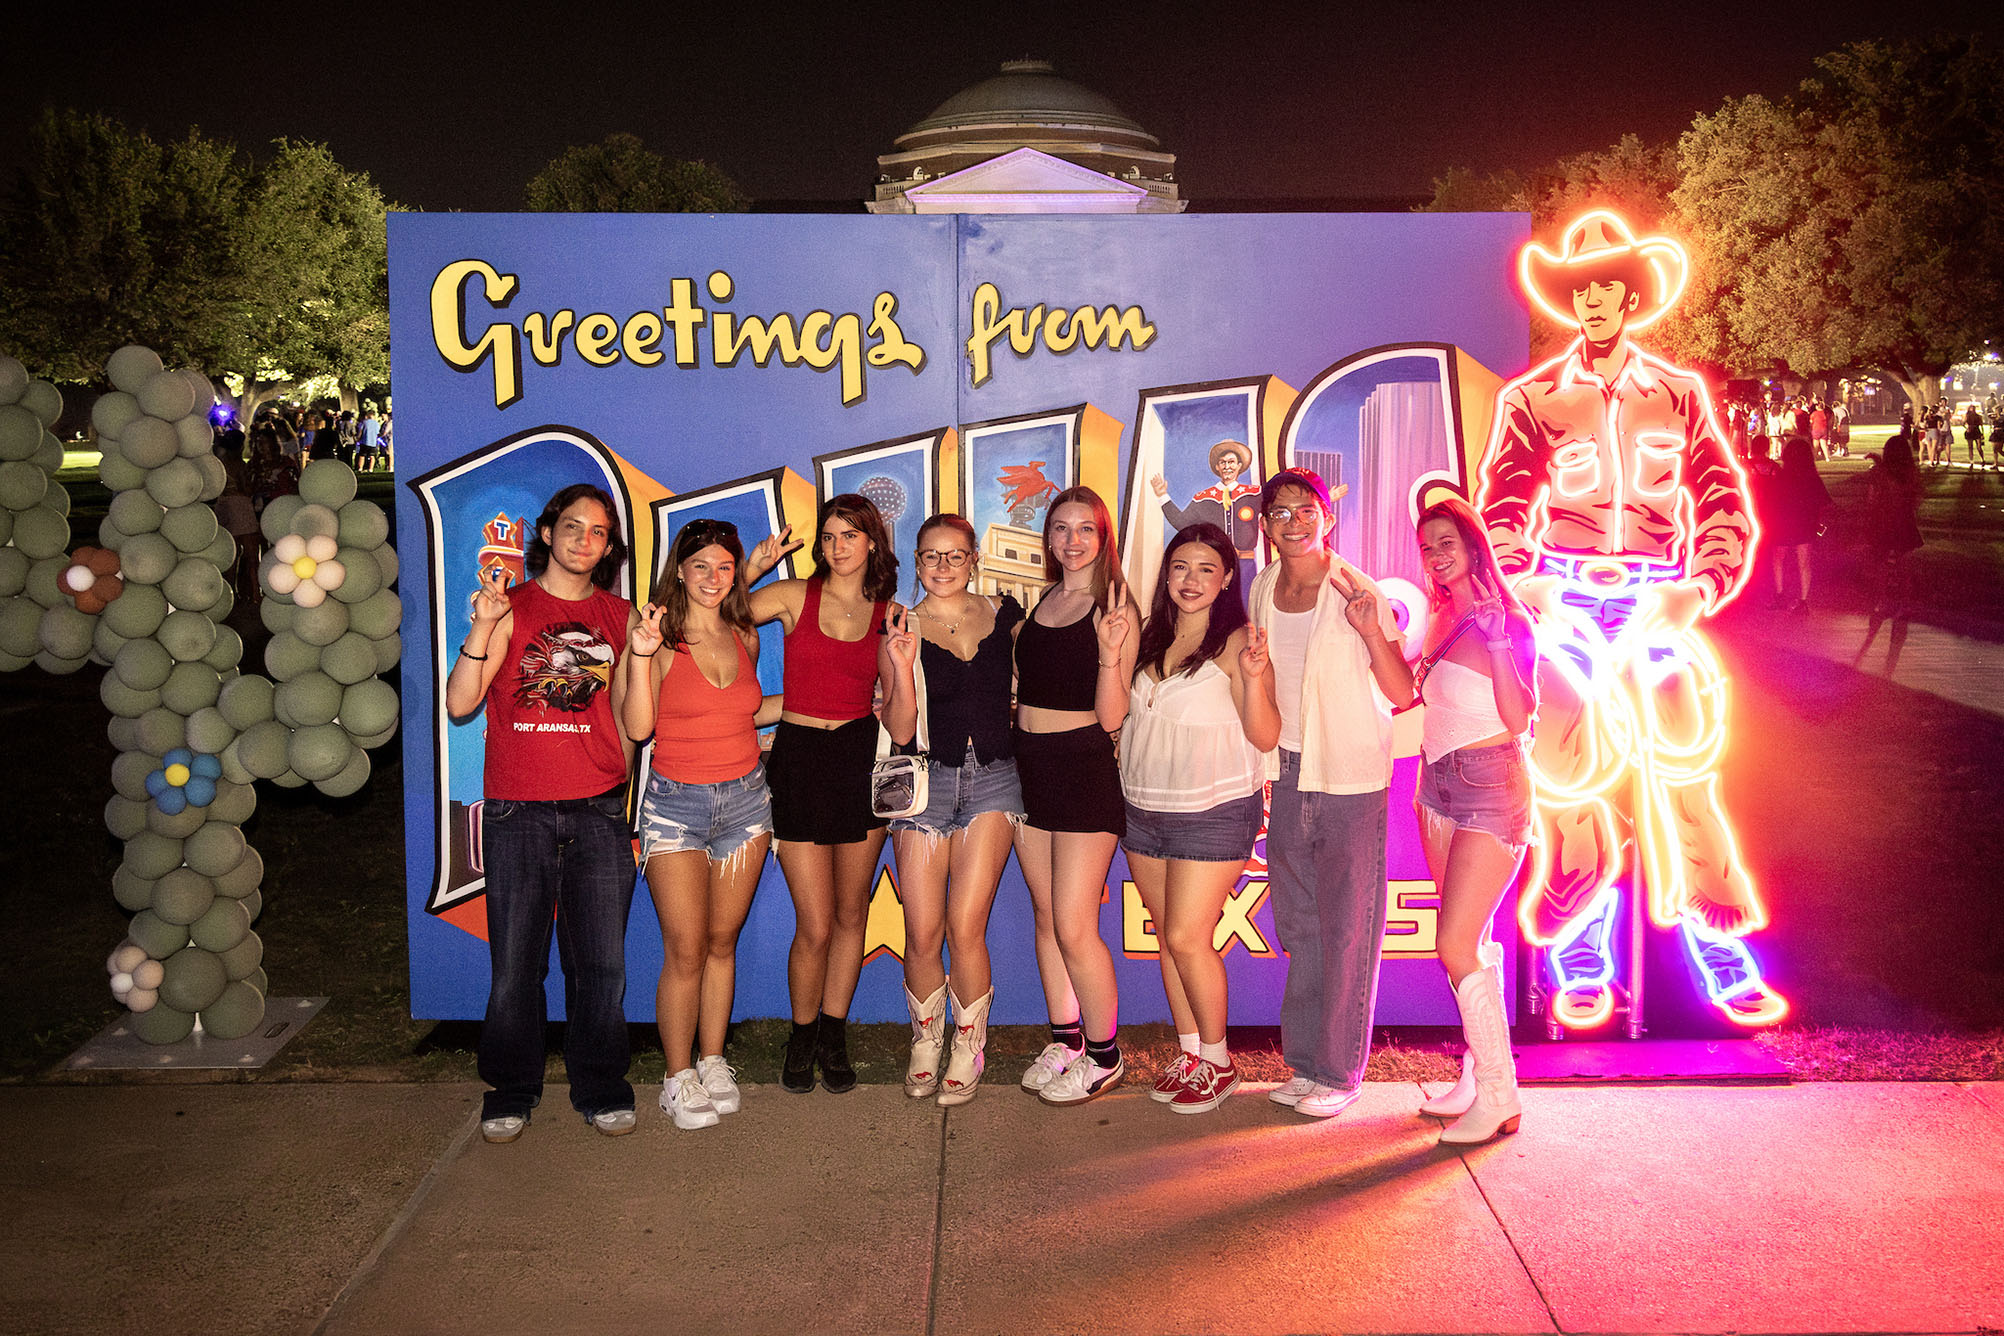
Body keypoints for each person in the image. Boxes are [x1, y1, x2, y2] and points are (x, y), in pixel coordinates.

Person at [1479, 210, 1782, 1028]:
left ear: (1632, 296)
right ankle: (1583, 955)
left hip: (1656, 595)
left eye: (1609, 287)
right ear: (1568, 299)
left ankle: (1718, 947)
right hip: (1567, 596)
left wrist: (1698, 586)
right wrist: (1529, 586)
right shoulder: (1535, 397)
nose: (1595, 302)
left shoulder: (1679, 395)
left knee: (1684, 761)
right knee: (1568, 774)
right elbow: (1500, 511)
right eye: (1581, 289)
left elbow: (1722, 502)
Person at [443, 483, 642, 1144]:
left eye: (599, 533)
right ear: (549, 532)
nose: (586, 541)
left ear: (608, 547)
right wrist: (480, 625)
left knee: (603, 967)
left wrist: (639, 662)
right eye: (574, 527)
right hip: (518, 812)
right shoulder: (511, 607)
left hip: (598, 813)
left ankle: (601, 1082)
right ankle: (512, 1086)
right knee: (516, 965)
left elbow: (630, 722)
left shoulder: (620, 616)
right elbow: (461, 702)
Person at [1250, 468, 1413, 1118]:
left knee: (1347, 927)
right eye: (1280, 511)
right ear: (1264, 525)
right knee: (1302, 926)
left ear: (1327, 517)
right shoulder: (1262, 586)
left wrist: (1372, 628)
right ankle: (1306, 1063)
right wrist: (1267, 770)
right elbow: (1266, 686)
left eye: (1305, 509)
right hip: (1289, 774)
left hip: (1349, 779)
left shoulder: (1354, 586)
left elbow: (1402, 694)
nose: (1293, 521)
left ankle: (1341, 1071)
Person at [620, 519, 781, 1130]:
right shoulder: (657, 638)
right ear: (679, 571)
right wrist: (639, 657)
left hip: (746, 806)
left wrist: (814, 705)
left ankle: (714, 1061)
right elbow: (639, 728)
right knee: (685, 950)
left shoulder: (744, 634)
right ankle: (677, 1075)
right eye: (701, 566)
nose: (713, 578)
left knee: (721, 944)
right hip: (674, 810)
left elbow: (748, 708)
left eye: (724, 567)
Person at [1120, 522, 1278, 1114]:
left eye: (1206, 569)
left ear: (1227, 578)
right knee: (1171, 939)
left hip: (1212, 809)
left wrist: (1257, 679)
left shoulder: (1238, 642)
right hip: (1141, 805)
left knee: (1188, 936)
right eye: (1180, 567)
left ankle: (1218, 1059)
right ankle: (1192, 1052)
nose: (1191, 580)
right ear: (1166, 574)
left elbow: (1265, 734)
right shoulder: (1147, 635)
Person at [746, 494, 900, 1094]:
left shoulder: (890, 612)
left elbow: (902, 700)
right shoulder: (792, 596)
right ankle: (801, 1032)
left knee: (849, 912)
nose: (838, 547)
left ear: (871, 544)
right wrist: (758, 564)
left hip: (862, 761)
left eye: (851, 536)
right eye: (830, 537)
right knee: (813, 922)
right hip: (799, 762)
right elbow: (715, 611)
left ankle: (834, 1034)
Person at [880, 515, 1023, 1105]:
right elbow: (897, 724)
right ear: (915, 564)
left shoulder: (1006, 616)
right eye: (930, 557)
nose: (942, 567)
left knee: (966, 927)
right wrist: (902, 664)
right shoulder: (899, 625)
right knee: (923, 929)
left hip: (994, 781)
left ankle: (969, 1044)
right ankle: (925, 1039)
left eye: (955, 556)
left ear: (974, 561)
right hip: (923, 784)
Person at [1409, 497, 1537, 1144]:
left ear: (1473, 543)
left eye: (1446, 543)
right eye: (1426, 546)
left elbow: (1518, 718)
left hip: (1491, 786)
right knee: (1476, 941)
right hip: (1436, 786)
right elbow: (1411, 695)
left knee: (1455, 945)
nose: (1434, 555)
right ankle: (1475, 1075)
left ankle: (1499, 1095)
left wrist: (1495, 638)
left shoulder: (1506, 617)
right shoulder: (1439, 614)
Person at [1011, 485, 1138, 1105]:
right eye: (1060, 528)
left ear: (1103, 536)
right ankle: (1067, 1039)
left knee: (1072, 923)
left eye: (1085, 529)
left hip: (1083, 770)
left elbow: (1112, 717)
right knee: (1044, 916)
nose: (1071, 540)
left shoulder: (1115, 606)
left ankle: (1106, 1054)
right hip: (1028, 767)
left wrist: (1111, 655)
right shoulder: (1046, 600)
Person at [1764, 435, 1832, 613]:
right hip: (1805, 523)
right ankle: (1803, 601)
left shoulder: (1780, 477)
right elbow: (1824, 503)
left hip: (1782, 522)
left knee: (1778, 558)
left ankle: (1780, 595)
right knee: (1804, 562)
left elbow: (1771, 501)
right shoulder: (1812, 479)